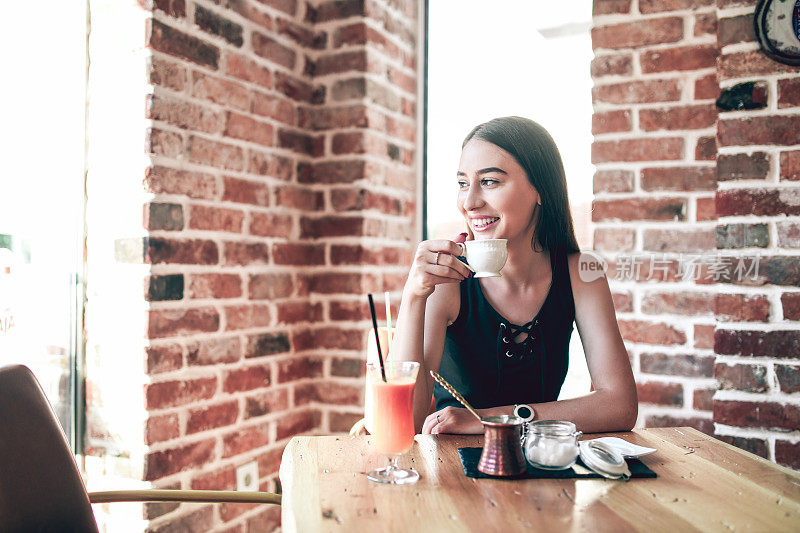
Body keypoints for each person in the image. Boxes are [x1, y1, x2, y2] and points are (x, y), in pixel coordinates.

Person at [394, 116, 638, 435]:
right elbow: (404, 420)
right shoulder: (447, 281)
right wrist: (414, 295)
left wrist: (490, 420)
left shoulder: (582, 273)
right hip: (455, 469)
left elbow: (620, 406)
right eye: (463, 183)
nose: (470, 202)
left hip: (543, 466)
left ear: (540, 189)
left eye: (490, 181)